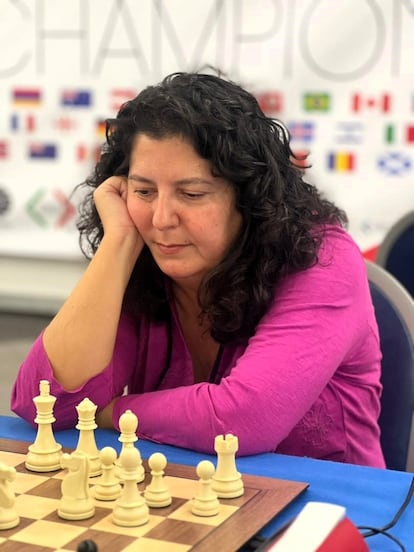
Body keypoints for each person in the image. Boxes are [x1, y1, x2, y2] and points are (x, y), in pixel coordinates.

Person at [11, 71, 385, 467]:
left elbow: (242, 418)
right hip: (185, 503)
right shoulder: (142, 254)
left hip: (337, 515)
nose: (161, 219)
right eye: (143, 191)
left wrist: (108, 413)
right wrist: (118, 243)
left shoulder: (323, 257)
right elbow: (42, 404)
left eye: (191, 194)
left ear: (249, 195)